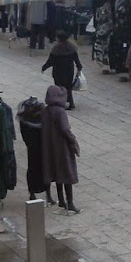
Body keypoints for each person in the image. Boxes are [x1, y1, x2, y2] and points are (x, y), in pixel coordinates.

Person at [41, 83, 80, 212]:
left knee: (57, 174)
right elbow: (65, 129)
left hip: (50, 147)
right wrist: (73, 140)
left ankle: (61, 200)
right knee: (66, 174)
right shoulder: (60, 111)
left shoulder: (45, 111)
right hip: (62, 147)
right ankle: (70, 203)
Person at [17, 97, 50, 204]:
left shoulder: (41, 117)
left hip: (42, 147)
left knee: (45, 169)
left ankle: (47, 193)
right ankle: (33, 192)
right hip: (33, 148)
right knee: (33, 169)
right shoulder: (25, 120)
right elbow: (26, 136)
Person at [41, 29, 83, 110]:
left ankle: (60, 102)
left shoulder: (56, 49)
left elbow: (51, 61)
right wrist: (79, 66)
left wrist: (44, 67)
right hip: (69, 70)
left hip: (58, 71)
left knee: (59, 87)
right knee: (68, 87)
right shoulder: (72, 47)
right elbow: (76, 59)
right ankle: (71, 103)